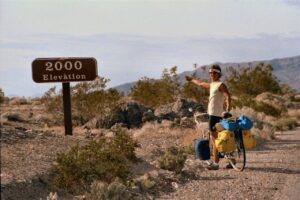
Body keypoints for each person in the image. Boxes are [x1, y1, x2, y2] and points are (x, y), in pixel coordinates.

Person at [186, 64, 231, 170]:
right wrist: (191, 80)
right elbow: (201, 83)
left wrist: (227, 110)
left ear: (218, 74)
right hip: (213, 114)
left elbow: (228, 97)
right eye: (210, 72)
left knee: (215, 139)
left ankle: (215, 164)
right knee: (221, 138)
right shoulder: (212, 85)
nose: (211, 74)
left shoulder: (220, 85)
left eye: (213, 72)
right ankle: (231, 159)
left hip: (216, 115)